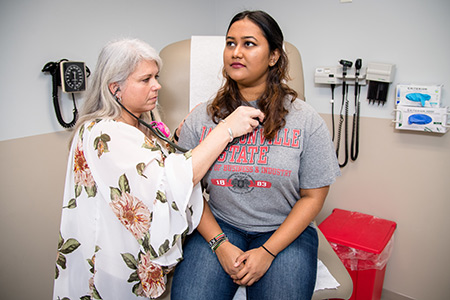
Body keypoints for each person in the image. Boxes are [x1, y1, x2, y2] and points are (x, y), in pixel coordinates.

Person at [52, 38, 264, 300]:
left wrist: (173, 139)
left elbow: (147, 170)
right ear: (115, 88)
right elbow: (170, 182)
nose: (157, 86)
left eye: (157, 76)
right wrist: (226, 130)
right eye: (146, 79)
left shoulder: (140, 125)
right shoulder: (102, 133)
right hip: (112, 266)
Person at [171, 10, 340, 300]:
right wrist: (220, 245)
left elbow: (314, 197)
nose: (236, 52)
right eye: (230, 43)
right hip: (220, 223)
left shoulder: (305, 120)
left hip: (284, 231)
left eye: (249, 43)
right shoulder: (203, 117)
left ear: (273, 56)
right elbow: (185, 187)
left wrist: (267, 251)